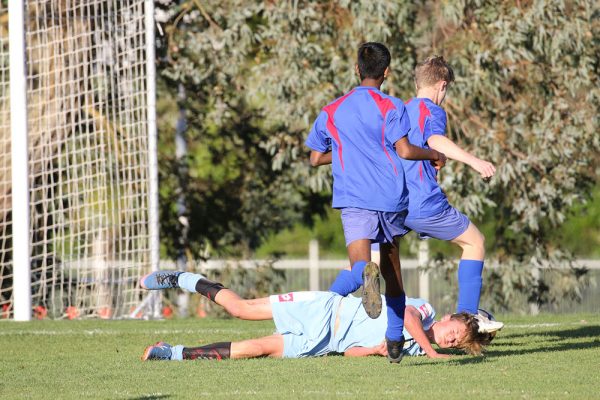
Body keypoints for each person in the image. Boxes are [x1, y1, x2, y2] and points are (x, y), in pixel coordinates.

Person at [329, 56, 502, 329]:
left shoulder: (398, 108)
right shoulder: (431, 110)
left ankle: (323, 306)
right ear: (442, 85)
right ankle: (466, 318)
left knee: (366, 266)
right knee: (475, 242)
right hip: (423, 202)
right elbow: (434, 139)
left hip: (391, 202)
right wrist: (474, 161)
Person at [305, 42, 446, 362]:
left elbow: (315, 158)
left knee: (359, 266)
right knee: (393, 275)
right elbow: (406, 151)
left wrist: (344, 153)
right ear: (387, 72)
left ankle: (339, 293)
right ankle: (394, 340)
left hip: (353, 199)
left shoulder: (333, 109)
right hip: (390, 198)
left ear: (357, 69)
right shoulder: (393, 106)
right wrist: (434, 153)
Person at [139, 270, 496, 361]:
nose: (451, 339)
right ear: (449, 317)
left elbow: (349, 352)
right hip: (323, 309)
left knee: (254, 348)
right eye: (455, 331)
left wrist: (373, 351)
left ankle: (170, 352)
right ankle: (183, 279)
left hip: (325, 342)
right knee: (240, 308)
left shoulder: (414, 351)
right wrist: (430, 349)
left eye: (456, 343)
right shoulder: (426, 312)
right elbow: (406, 317)